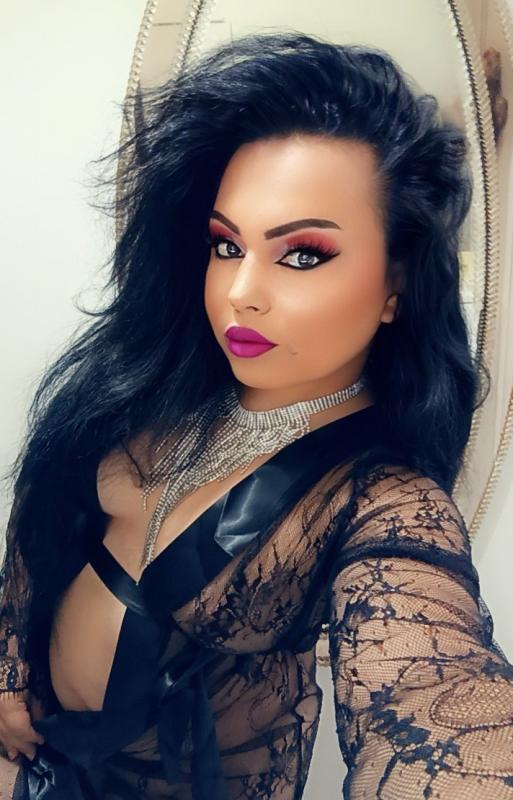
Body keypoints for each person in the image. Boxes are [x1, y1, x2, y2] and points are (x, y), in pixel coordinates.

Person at [1, 29, 512, 799]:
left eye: (301, 253)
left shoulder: (381, 499)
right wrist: (9, 666)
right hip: (45, 762)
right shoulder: (156, 382)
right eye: (225, 245)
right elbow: (44, 517)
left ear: (395, 282)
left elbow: (431, 695)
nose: (240, 292)